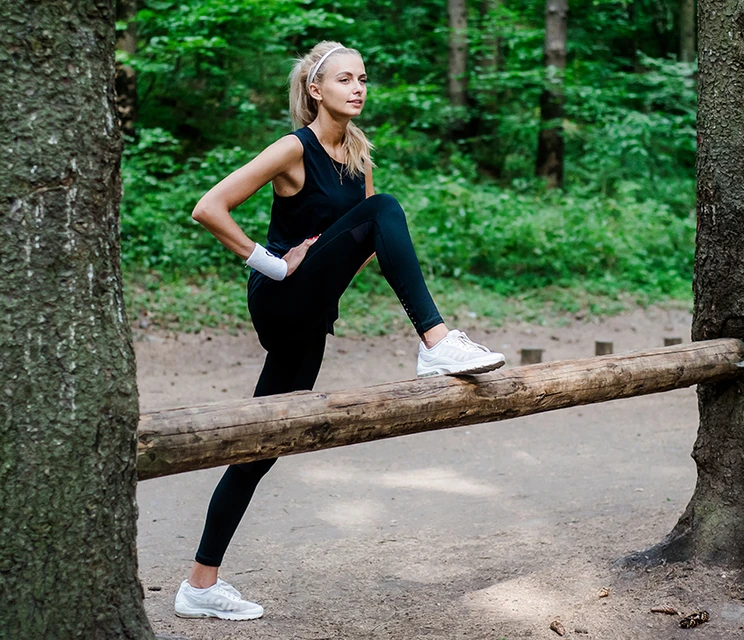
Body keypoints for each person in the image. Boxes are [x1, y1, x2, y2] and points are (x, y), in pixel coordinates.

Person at [172, 41, 506, 621]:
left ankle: (200, 585)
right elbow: (208, 208)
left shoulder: (358, 156)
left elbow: (371, 245)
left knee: (261, 445)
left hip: (313, 311)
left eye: (363, 78)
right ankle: (435, 342)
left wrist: (327, 256)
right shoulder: (291, 149)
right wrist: (279, 264)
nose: (358, 88)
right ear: (314, 90)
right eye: (344, 79)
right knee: (386, 210)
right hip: (279, 296)